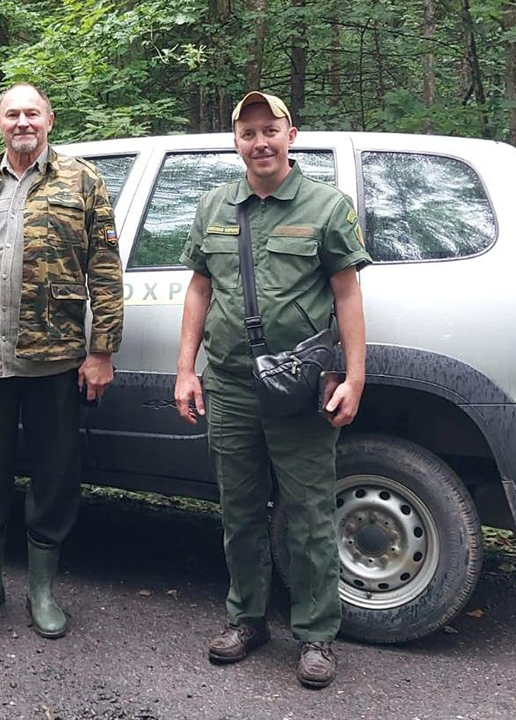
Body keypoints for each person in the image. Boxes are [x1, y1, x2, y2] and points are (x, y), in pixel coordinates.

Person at [173, 91, 372, 688]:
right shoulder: (213, 205)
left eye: (270, 130)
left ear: (291, 134)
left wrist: (354, 375)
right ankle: (247, 619)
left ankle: (316, 636)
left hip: (298, 389)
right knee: (239, 511)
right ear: (236, 140)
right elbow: (198, 291)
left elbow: (347, 295)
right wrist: (186, 369)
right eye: (248, 132)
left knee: (310, 516)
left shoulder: (325, 205)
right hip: (230, 385)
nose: (259, 142)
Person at [0, 82, 124, 638]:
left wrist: (102, 350)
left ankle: (43, 590)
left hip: (55, 358)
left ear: (49, 119)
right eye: (12, 113)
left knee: (54, 474)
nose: (22, 122)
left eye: (31, 113)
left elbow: (106, 271)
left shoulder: (82, 181)